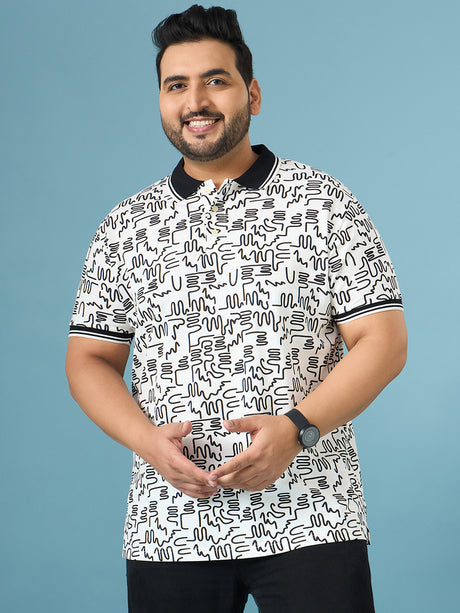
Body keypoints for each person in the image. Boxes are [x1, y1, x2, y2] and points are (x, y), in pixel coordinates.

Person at [65, 5, 407, 612]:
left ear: (252, 94)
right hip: (170, 525)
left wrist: (296, 431)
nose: (195, 101)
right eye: (176, 85)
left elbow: (384, 341)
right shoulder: (126, 226)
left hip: (312, 515)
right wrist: (147, 443)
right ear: (161, 100)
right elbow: (89, 358)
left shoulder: (324, 203)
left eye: (215, 80)